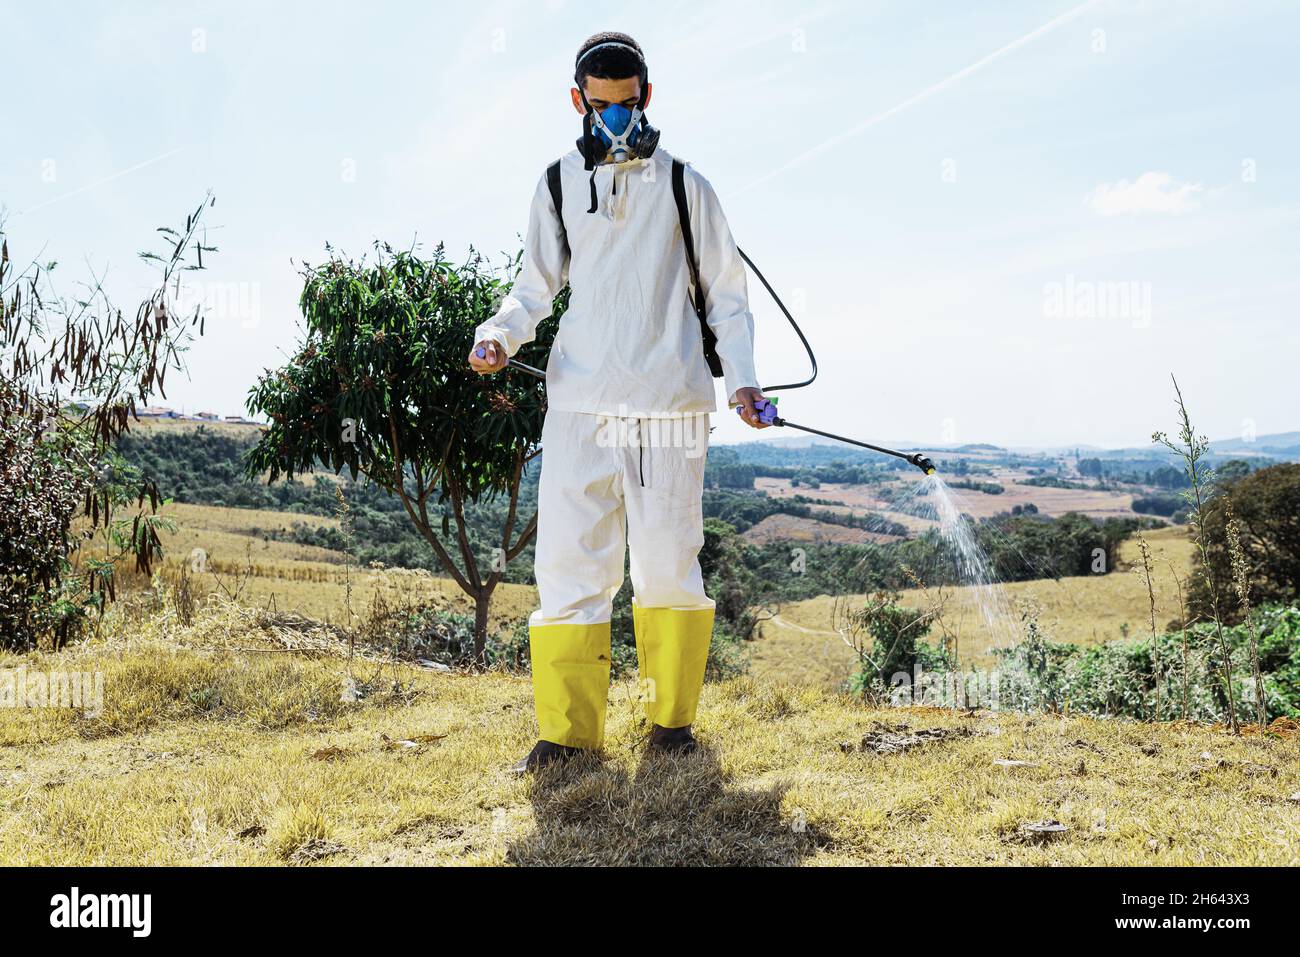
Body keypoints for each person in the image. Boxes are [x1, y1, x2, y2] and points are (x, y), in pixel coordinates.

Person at [469, 31, 767, 773]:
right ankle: (568, 738)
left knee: (668, 568)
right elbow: (532, 288)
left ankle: (671, 727)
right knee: (568, 569)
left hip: (668, 407)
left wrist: (744, 380)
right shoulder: (557, 184)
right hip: (577, 409)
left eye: (626, 106)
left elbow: (728, 297)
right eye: (599, 107)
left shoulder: (685, 186)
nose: (614, 122)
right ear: (578, 102)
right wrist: (498, 336)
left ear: (646, 97)